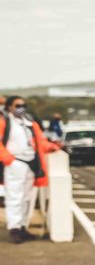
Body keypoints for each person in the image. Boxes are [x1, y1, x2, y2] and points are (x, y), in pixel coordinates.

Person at [0, 96, 59, 243]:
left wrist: (53, 147)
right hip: (15, 163)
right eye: (18, 105)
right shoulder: (4, 121)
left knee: (27, 199)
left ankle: (23, 226)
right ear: (9, 107)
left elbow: (40, 141)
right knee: (15, 197)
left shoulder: (29, 123)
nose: (21, 108)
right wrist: (8, 159)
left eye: (23, 105)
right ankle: (14, 228)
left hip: (31, 164)